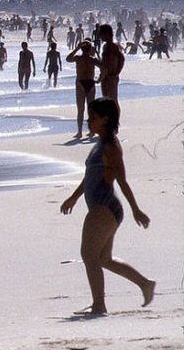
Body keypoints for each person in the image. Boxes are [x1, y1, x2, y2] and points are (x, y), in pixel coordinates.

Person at [60, 97, 154, 315]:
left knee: (89, 255)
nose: (88, 121)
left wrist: (136, 209)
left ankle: (99, 305)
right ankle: (145, 284)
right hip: (102, 207)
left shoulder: (111, 146)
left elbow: (122, 179)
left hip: (104, 206)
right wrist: (74, 197)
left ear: (106, 119)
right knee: (103, 259)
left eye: (93, 118)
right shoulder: (100, 143)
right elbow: (90, 176)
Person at [66, 40, 99, 138]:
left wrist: (76, 48)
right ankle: (92, 131)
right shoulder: (92, 59)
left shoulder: (78, 58)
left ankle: (80, 132)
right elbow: (103, 68)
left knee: (81, 109)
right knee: (90, 109)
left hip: (80, 83)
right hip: (90, 82)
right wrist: (99, 79)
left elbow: (68, 59)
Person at [98, 24, 124, 108]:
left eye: (101, 34)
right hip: (105, 76)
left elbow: (122, 59)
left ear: (106, 34)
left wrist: (116, 73)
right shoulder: (105, 46)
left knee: (113, 100)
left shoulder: (114, 46)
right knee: (106, 99)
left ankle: (116, 120)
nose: (100, 36)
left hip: (112, 76)